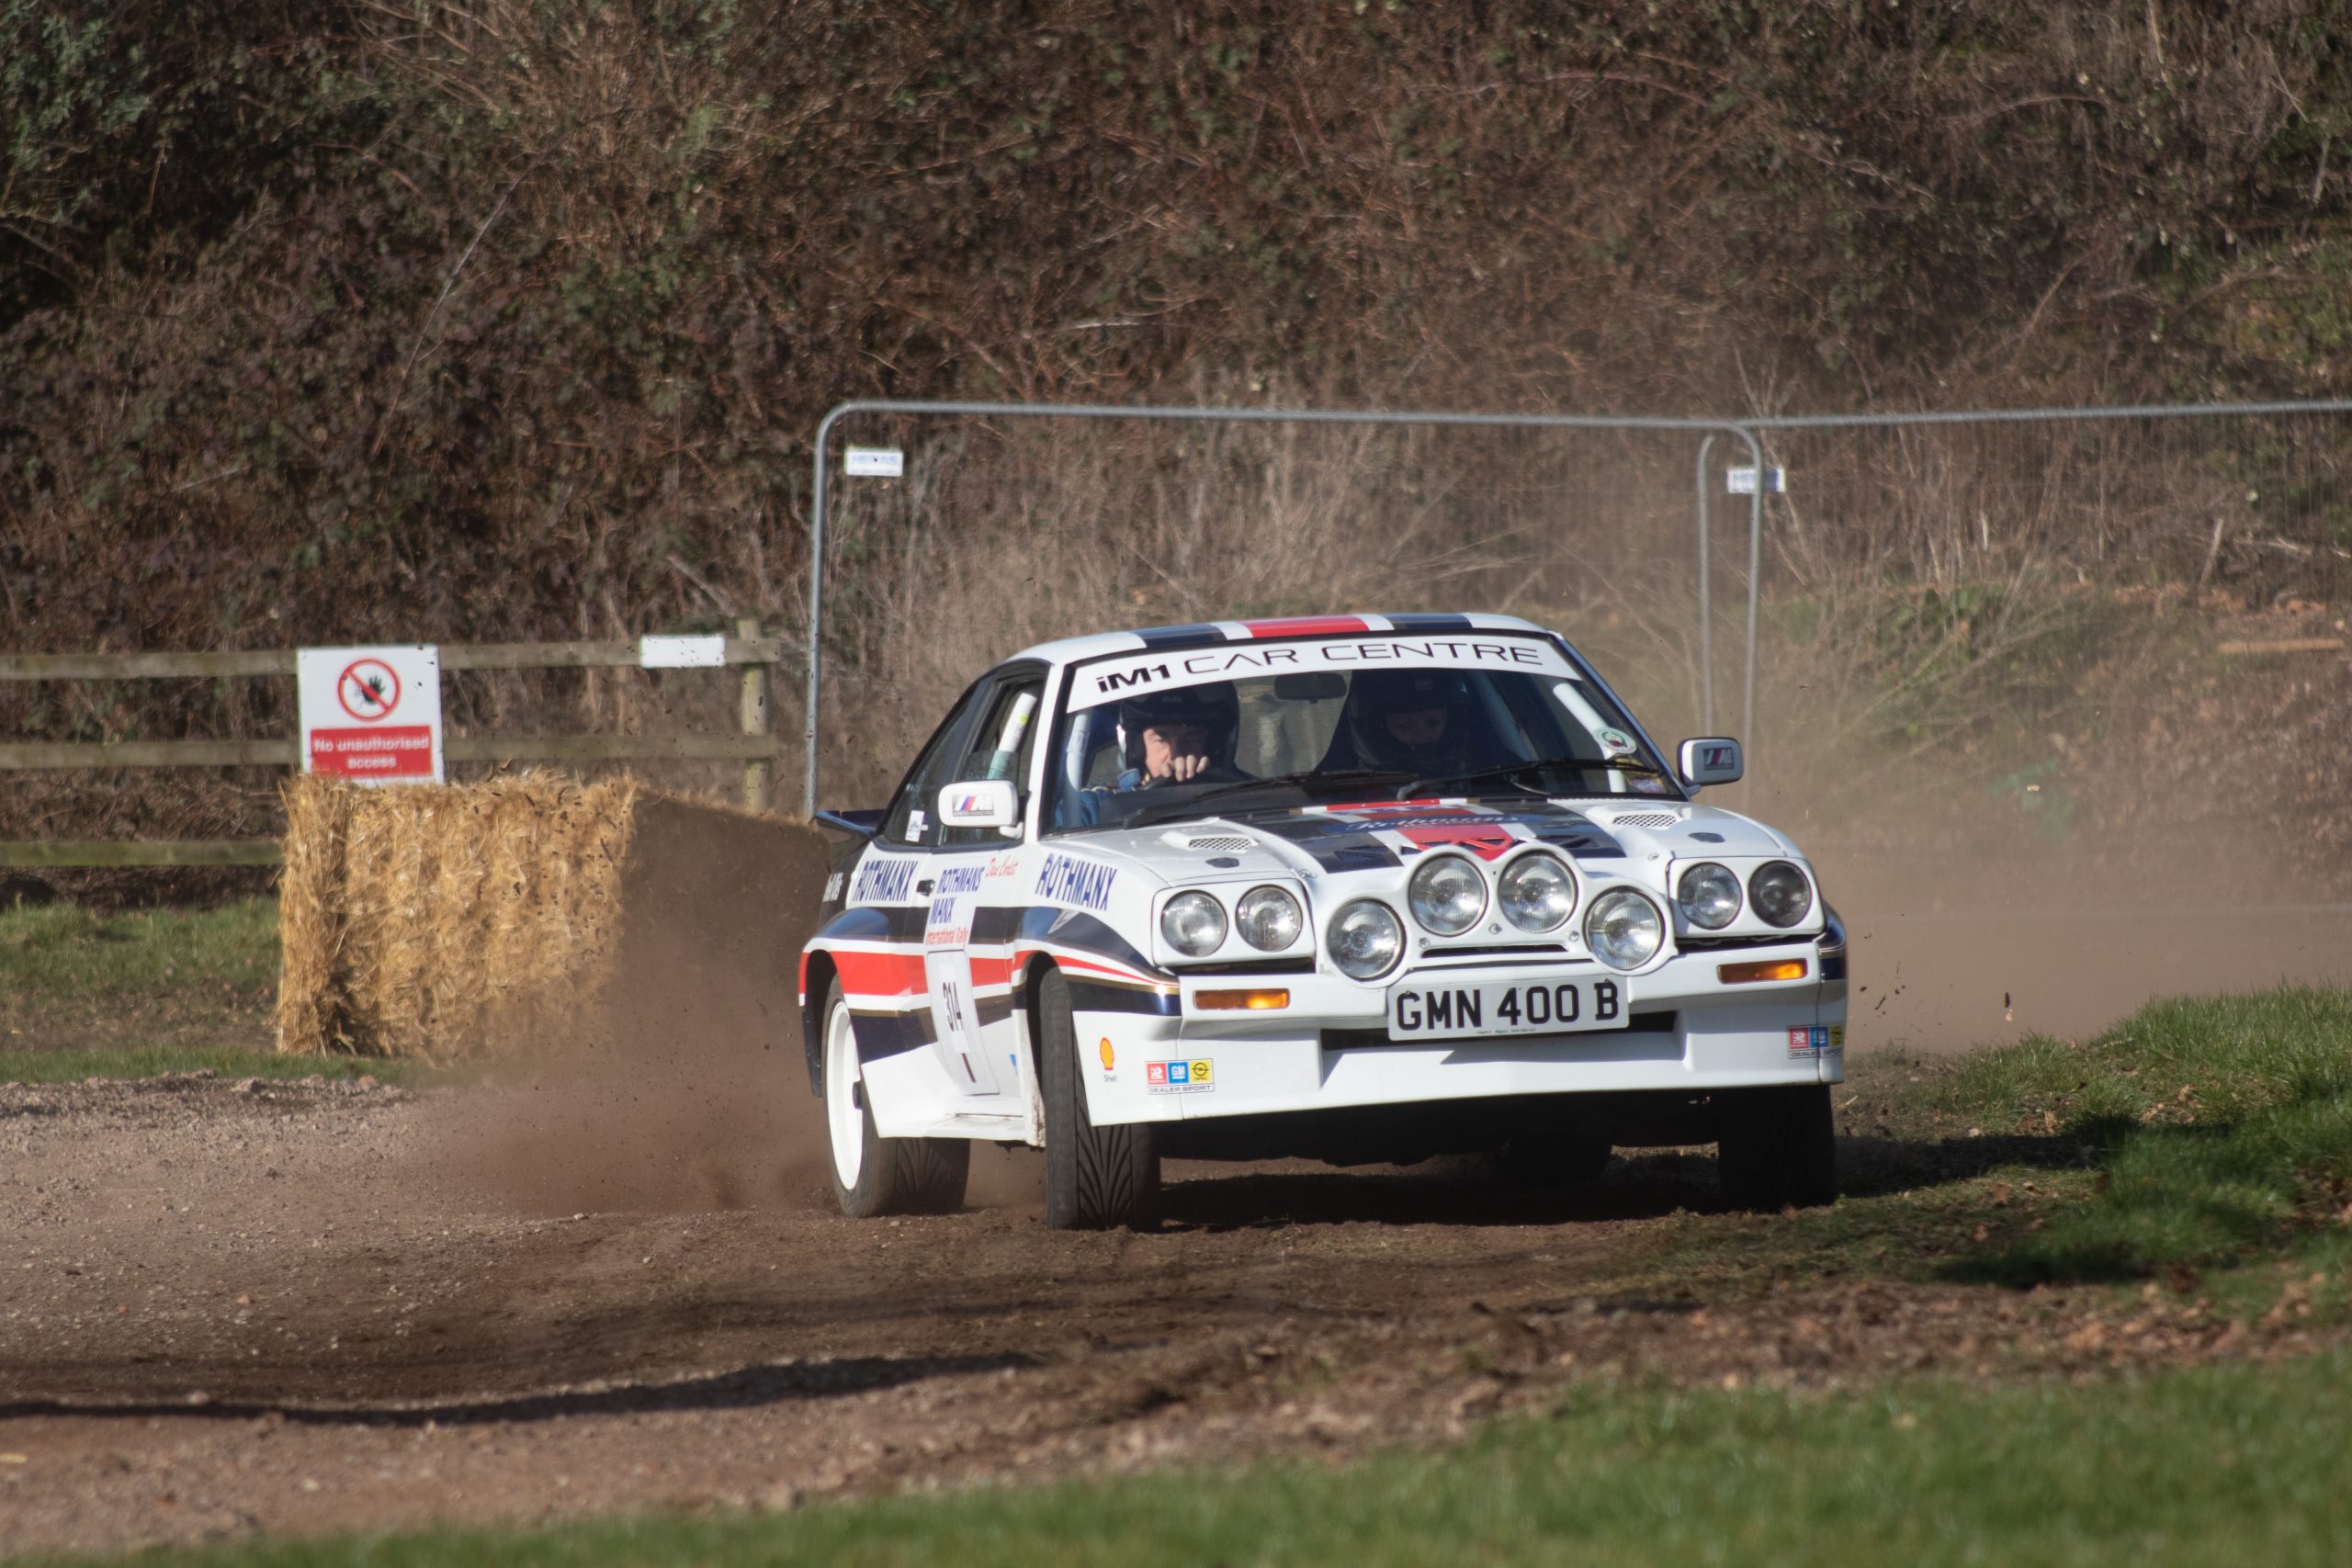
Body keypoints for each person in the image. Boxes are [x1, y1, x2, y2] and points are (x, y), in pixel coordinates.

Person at [1057, 683, 1246, 826]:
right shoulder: (1088, 809)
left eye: (1191, 739)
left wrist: (1210, 790)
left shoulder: (1252, 797)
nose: (1175, 755)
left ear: (1213, 746)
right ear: (1136, 747)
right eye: (1161, 739)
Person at [1329, 669, 1481, 776]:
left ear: (1449, 723)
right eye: (1406, 726)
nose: (1421, 736)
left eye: (1433, 723)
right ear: (1380, 731)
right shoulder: (1349, 789)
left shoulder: (1483, 778)